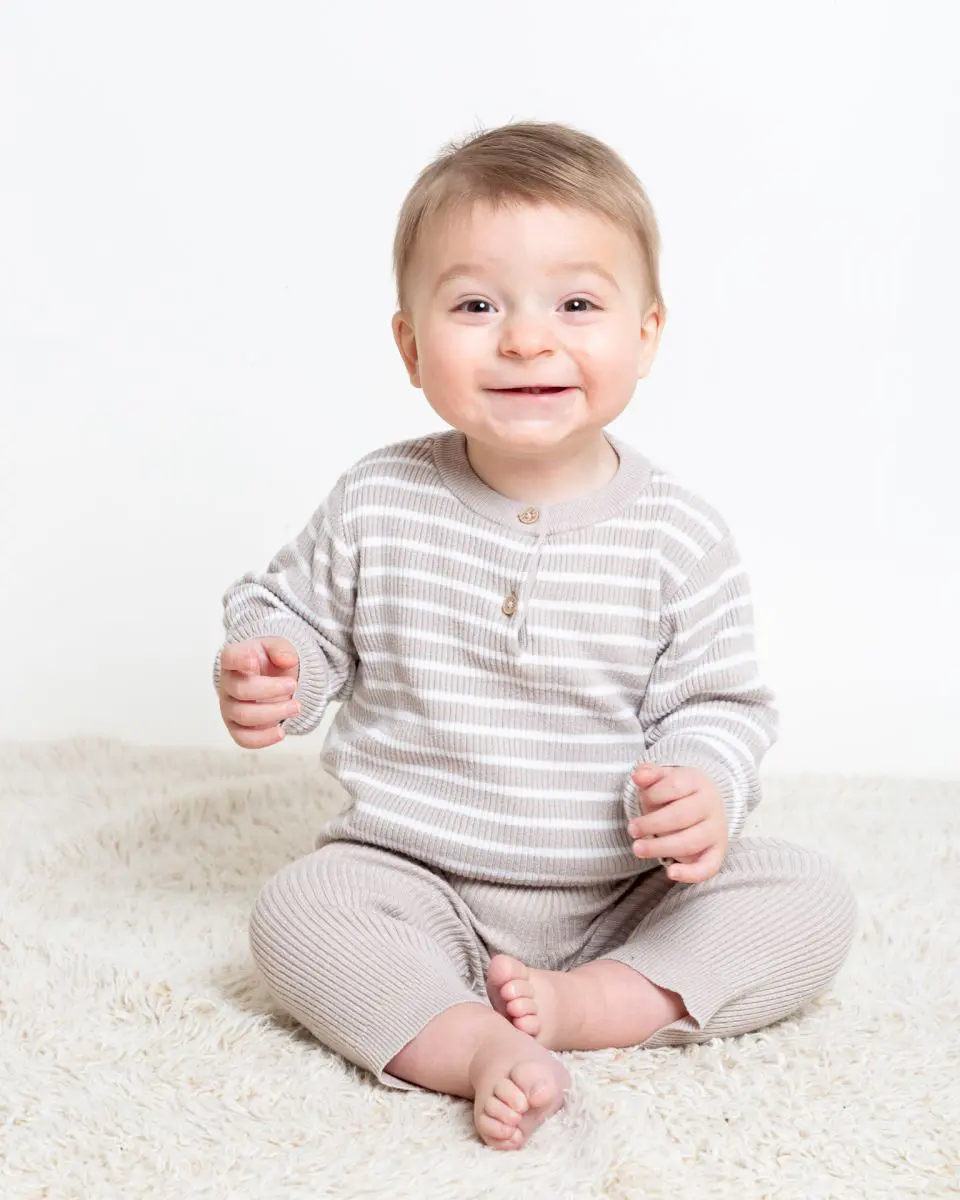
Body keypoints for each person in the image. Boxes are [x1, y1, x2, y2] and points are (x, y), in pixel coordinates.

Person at [213, 120, 857, 1152]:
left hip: (623, 896)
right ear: (411, 345)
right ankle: (473, 1042)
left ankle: (606, 1001)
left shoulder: (675, 534)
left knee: (807, 898)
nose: (525, 338)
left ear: (645, 334)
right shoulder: (380, 499)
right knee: (298, 909)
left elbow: (719, 705)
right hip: (416, 878)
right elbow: (293, 618)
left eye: (576, 304)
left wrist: (703, 787)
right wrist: (268, 666)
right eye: (476, 305)